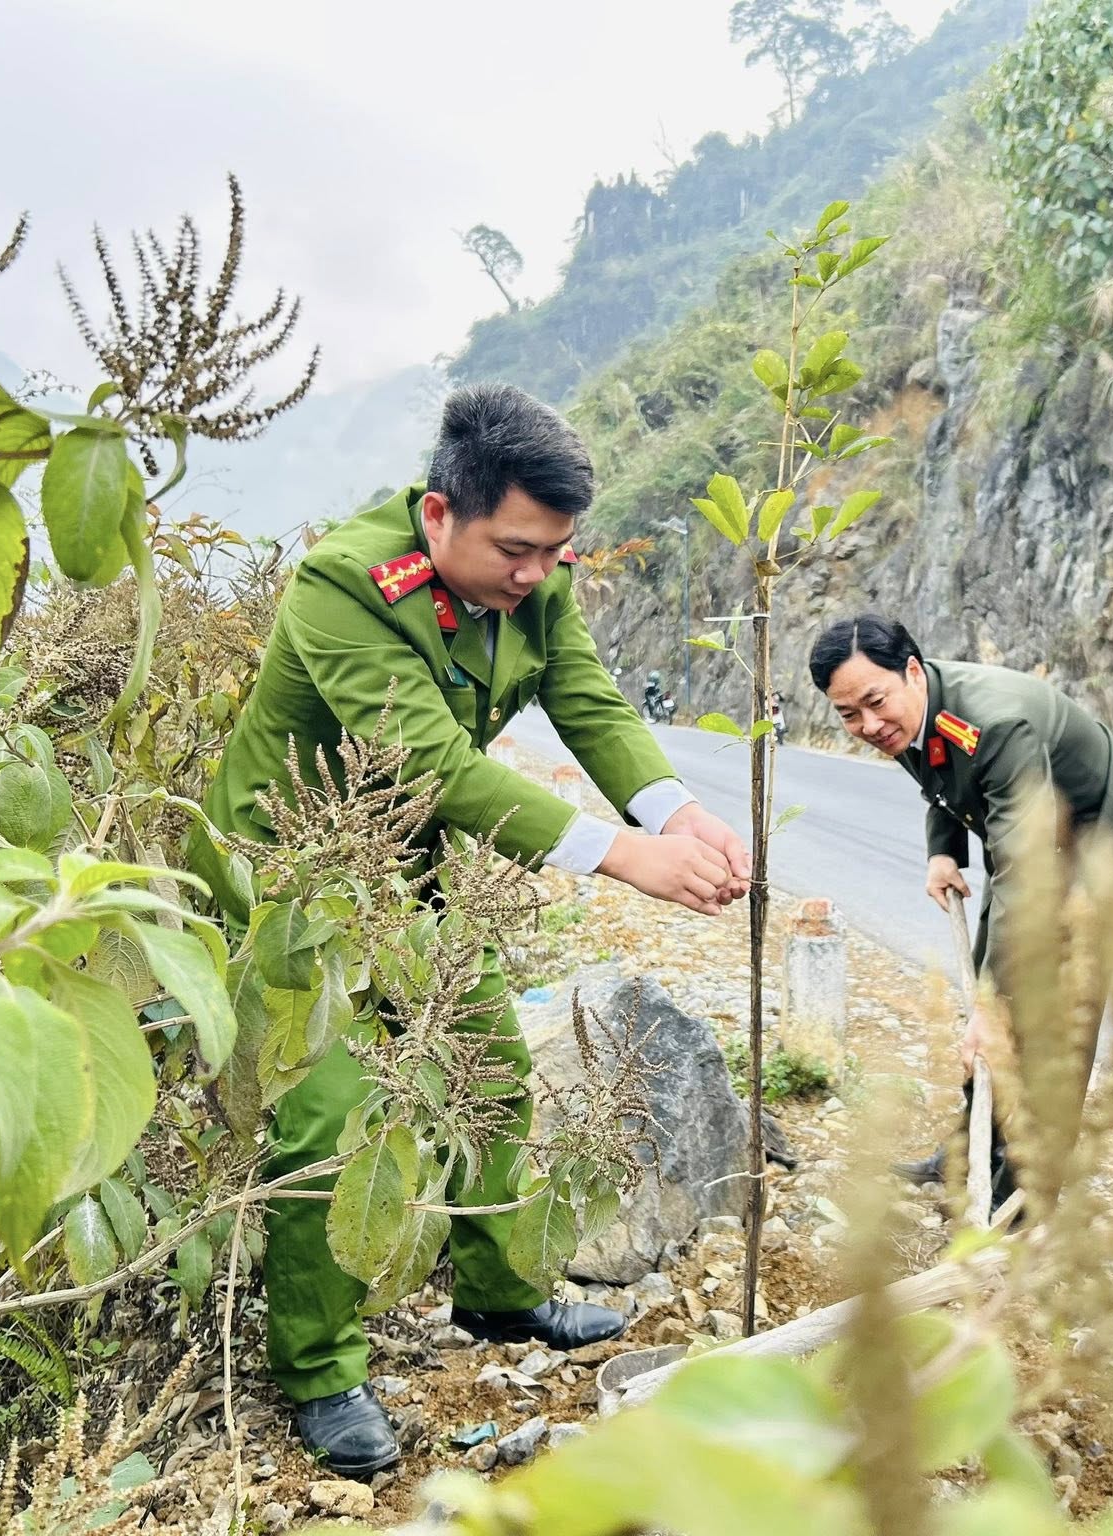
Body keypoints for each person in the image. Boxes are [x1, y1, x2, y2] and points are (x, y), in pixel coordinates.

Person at [209, 383, 751, 1477]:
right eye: (515, 550)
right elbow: (431, 766)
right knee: (326, 1114)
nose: (536, 575)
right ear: (438, 515)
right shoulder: (344, 587)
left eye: (554, 554)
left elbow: (590, 701)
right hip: (290, 876)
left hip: (399, 872)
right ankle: (318, 1373)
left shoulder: (531, 578)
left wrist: (676, 811)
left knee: (488, 1064)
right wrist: (623, 857)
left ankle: (498, 1297)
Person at [808, 614, 1113, 1196]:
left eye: (874, 702)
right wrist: (943, 852)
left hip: (1099, 838)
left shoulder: (994, 722)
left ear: (912, 672)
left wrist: (993, 1008)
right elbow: (940, 773)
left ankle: (1026, 1191)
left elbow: (1026, 880)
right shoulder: (908, 713)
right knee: (990, 980)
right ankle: (969, 1152)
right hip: (1027, 829)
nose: (868, 724)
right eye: (848, 715)